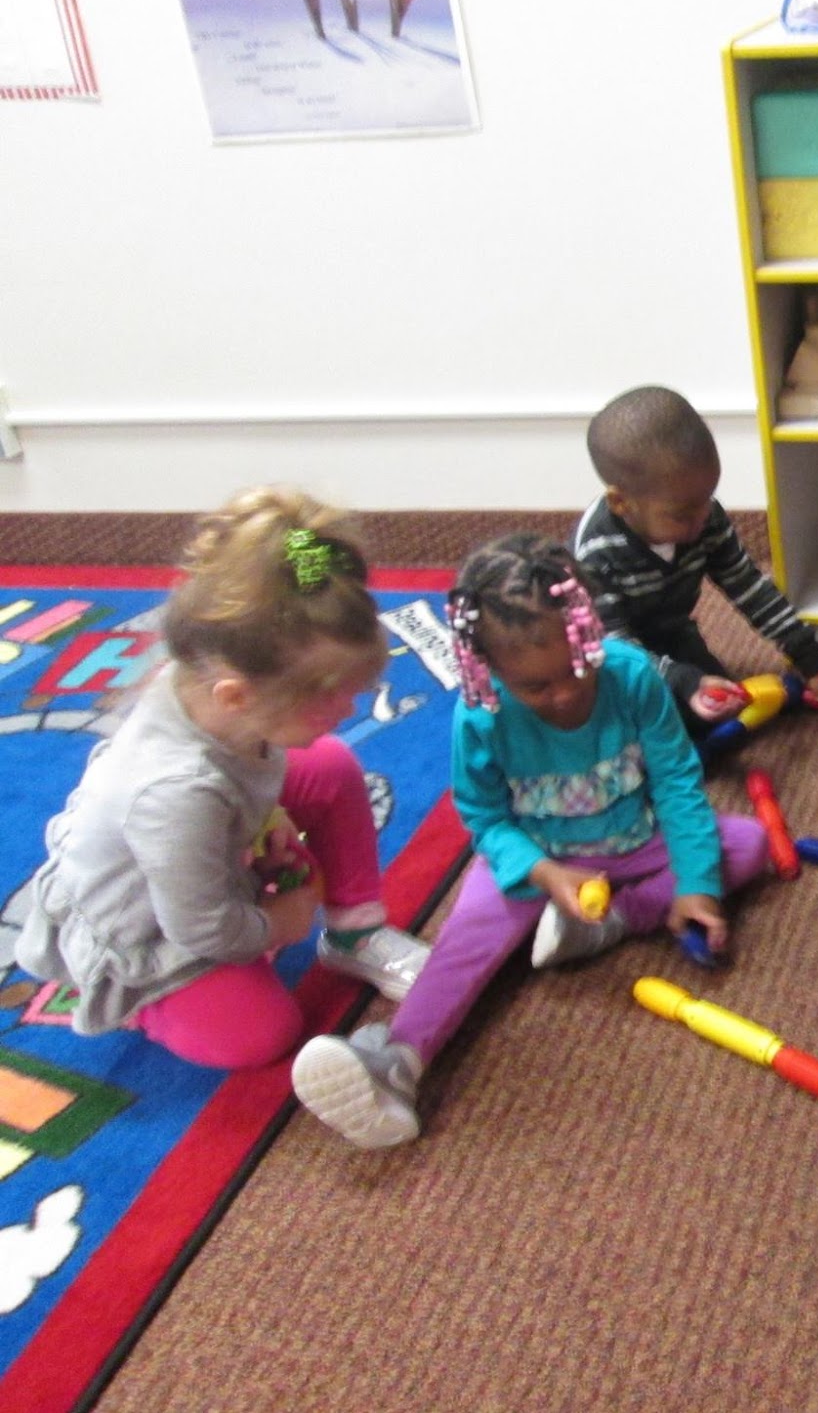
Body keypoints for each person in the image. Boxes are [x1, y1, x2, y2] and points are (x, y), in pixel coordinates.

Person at [291, 533, 768, 1148]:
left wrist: (697, 884)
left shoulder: (630, 675)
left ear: (589, 635)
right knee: (463, 944)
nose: (564, 693)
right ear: (489, 671)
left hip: (636, 841)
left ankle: (614, 920)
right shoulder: (480, 715)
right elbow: (485, 818)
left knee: (747, 844)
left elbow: (677, 781)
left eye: (576, 669)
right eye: (536, 686)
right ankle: (398, 1063)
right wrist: (544, 873)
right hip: (536, 858)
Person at [14, 489, 428, 1071]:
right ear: (236, 697)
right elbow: (203, 930)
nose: (350, 709)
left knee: (328, 763)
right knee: (261, 1035)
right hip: (149, 930)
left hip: (197, 848)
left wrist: (268, 815)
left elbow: (251, 762)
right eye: (330, 699)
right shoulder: (174, 793)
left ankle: (353, 935)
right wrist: (278, 923)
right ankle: (137, 1003)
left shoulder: (216, 691)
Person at [573, 385, 818, 734]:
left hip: (672, 630)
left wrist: (803, 648)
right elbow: (615, 644)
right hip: (608, 652)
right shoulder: (596, 553)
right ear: (621, 503)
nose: (701, 520)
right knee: (651, 720)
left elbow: (746, 584)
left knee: (722, 706)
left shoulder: (704, 515)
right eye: (682, 515)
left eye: (708, 499)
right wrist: (681, 680)